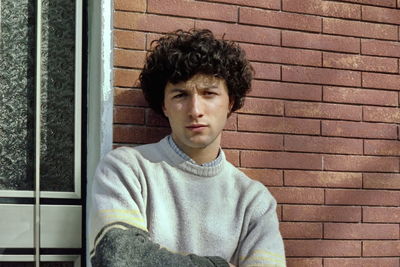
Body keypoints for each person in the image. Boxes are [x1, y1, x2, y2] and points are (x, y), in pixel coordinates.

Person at [89, 29, 286, 267]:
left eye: (209, 93)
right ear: (164, 106)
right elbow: (119, 257)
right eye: (181, 95)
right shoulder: (126, 169)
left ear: (230, 103)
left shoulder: (254, 202)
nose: (195, 110)